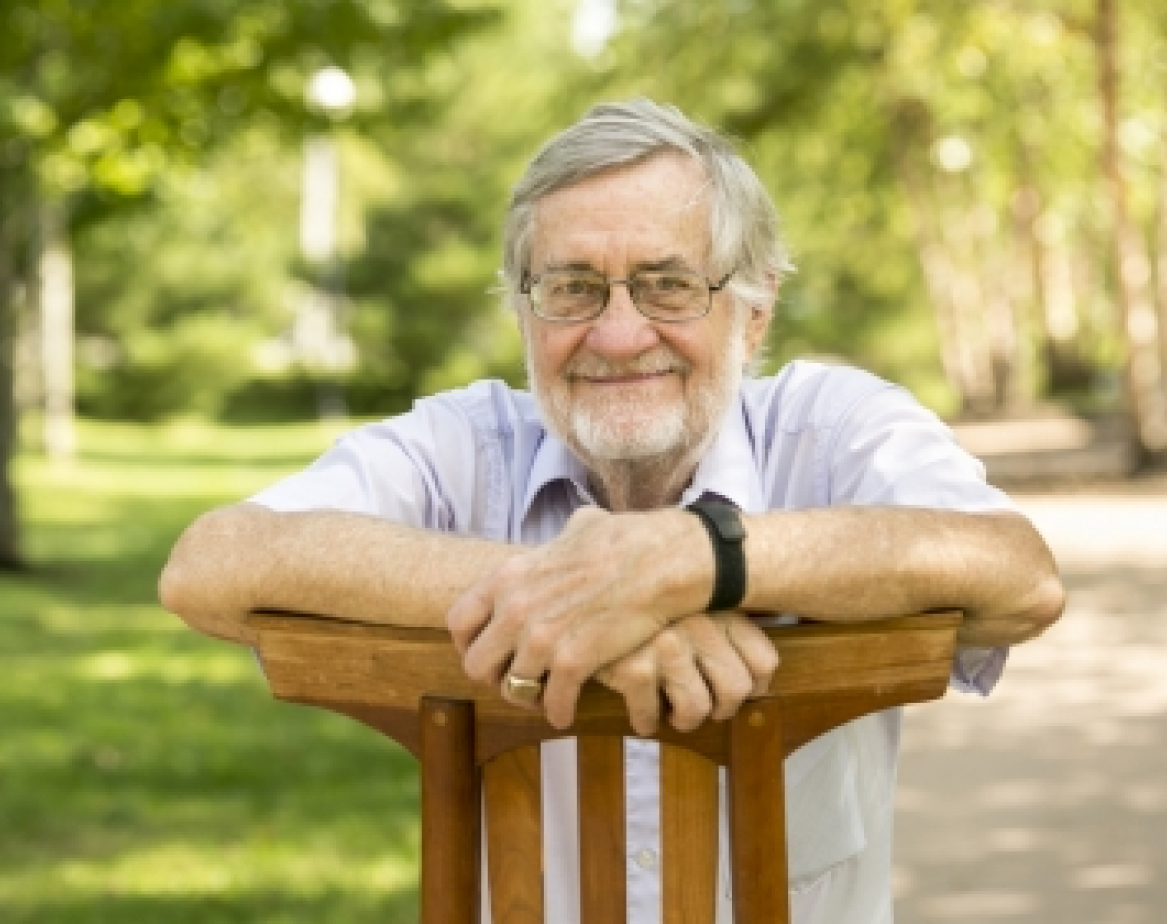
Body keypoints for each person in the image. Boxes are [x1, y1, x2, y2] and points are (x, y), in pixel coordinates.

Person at [160, 99, 1065, 923]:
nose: (620, 333)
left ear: (752, 312)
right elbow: (210, 566)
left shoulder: (832, 429)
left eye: (670, 285)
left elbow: (1017, 578)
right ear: (524, 309)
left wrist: (698, 559)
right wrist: (573, 593)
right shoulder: (464, 444)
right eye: (572, 288)